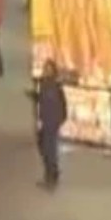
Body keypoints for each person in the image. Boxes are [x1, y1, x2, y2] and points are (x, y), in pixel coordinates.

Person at [31, 59, 68, 190]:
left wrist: (61, 117)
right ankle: (51, 173)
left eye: (48, 69)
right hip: (47, 119)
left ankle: (51, 175)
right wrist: (35, 96)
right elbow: (43, 99)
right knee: (44, 146)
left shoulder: (55, 85)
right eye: (45, 68)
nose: (46, 71)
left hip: (52, 121)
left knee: (49, 148)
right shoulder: (44, 84)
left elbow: (61, 103)